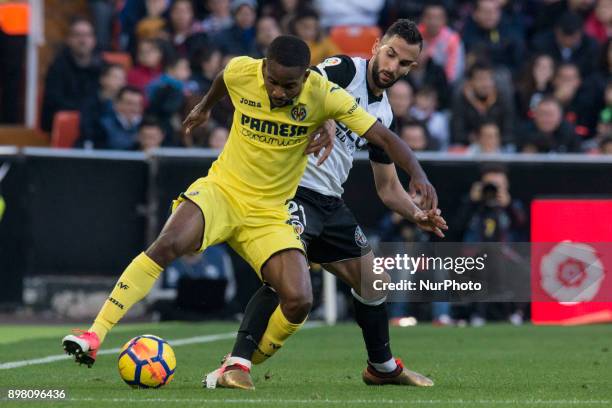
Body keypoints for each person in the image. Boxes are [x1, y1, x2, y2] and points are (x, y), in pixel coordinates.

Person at [62, 35, 437, 388]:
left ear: (303, 80)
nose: (277, 91)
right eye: (272, 81)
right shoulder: (253, 70)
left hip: (272, 210)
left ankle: (242, 366)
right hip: (227, 191)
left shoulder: (333, 97)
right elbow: (224, 78)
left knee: (303, 298)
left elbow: (384, 141)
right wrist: (205, 107)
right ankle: (95, 334)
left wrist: (418, 176)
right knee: (169, 243)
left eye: (288, 86)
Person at [204, 20, 446, 391]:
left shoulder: (383, 115)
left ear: (413, 68)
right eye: (391, 54)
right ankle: (235, 365)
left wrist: (417, 213)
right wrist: (326, 119)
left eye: (404, 64)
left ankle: (380, 367)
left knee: (374, 281)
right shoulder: (344, 69)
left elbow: (386, 188)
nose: (392, 67)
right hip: (292, 189)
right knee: (285, 276)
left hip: (330, 203)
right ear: (377, 45)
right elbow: (303, 88)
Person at [41, 17, 102, 132]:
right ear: (69, 39)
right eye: (78, 35)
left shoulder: (103, 68)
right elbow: (54, 101)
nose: (83, 40)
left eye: (87, 35)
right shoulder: (57, 68)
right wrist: (83, 110)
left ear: (94, 40)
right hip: (63, 125)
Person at [450, 61, 515, 147]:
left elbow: (510, 132)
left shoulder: (502, 99)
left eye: (489, 78)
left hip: (499, 147)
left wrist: (493, 139)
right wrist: (476, 139)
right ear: (471, 82)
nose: (485, 84)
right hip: (471, 147)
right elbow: (457, 133)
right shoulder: (461, 100)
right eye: (480, 79)